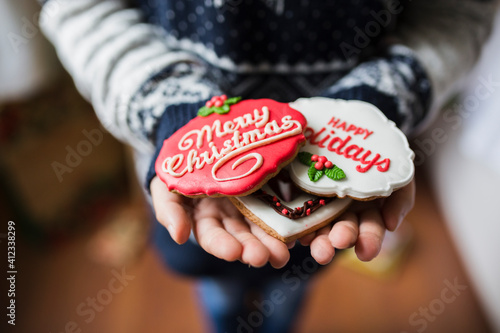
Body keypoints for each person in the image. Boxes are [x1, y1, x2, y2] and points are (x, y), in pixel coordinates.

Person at [38, 0, 498, 331]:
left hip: (331, 200)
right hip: (194, 190)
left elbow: (459, 11)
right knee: (218, 289)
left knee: (289, 291)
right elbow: (79, 8)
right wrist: (171, 105)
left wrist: (376, 100)